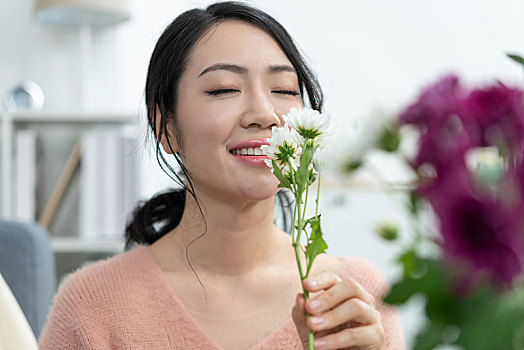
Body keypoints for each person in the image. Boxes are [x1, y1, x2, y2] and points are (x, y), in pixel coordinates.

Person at [38, 2, 405, 349]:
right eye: (224, 89)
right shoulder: (90, 308)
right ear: (165, 127)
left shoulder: (355, 298)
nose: (264, 114)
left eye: (284, 90)